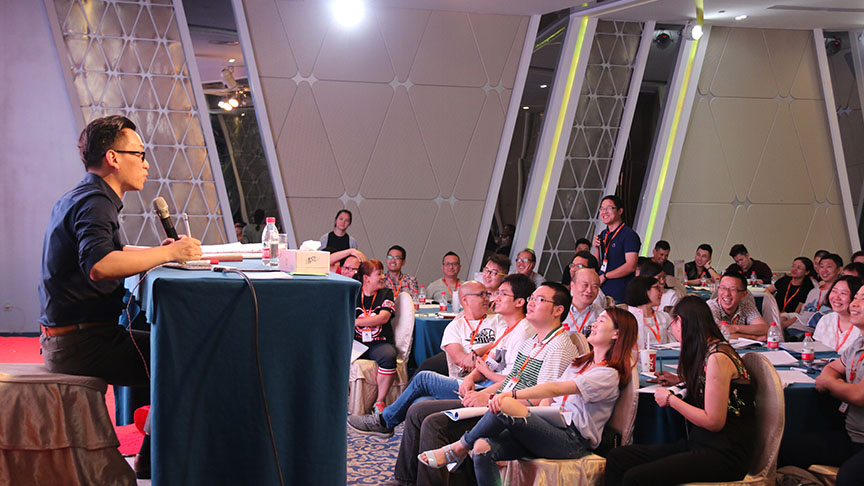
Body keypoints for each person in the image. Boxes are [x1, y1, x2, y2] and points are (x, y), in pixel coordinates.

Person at [38, 115, 203, 479]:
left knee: (175, 350)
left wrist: (157, 252)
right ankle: (158, 460)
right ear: (113, 158)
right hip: (82, 344)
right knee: (191, 357)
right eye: (139, 154)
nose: (146, 164)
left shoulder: (85, 195)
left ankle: (152, 455)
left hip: (76, 337)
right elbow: (99, 264)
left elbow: (108, 252)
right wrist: (170, 253)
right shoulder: (96, 202)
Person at [418, 308, 639, 486]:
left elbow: (554, 389)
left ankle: (458, 448)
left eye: (602, 321)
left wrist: (512, 396)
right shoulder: (581, 361)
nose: (594, 324)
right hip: (551, 426)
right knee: (482, 448)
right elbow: (550, 398)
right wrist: (536, 415)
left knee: (504, 404)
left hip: (572, 439)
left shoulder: (608, 374)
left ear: (616, 333)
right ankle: (463, 447)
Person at [388, 283, 578, 486]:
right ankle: (405, 481)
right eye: (531, 298)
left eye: (539, 300)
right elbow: (511, 380)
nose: (530, 304)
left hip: (511, 413)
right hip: (497, 401)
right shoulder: (533, 340)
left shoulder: (558, 347)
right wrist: (481, 394)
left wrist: (487, 398)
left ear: (558, 310)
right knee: (418, 410)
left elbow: (542, 400)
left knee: (434, 423)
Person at [347, 275, 536, 437]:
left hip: (488, 391)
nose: (492, 298)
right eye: (483, 294)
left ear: (519, 302)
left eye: (501, 294)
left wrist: (483, 372)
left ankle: (383, 421)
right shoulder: (470, 327)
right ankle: (413, 466)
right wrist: (472, 375)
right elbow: (467, 361)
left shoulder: (517, 330)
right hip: (471, 382)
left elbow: (514, 382)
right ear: (464, 300)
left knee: (424, 378)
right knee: (418, 405)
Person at [605, 296, 756, 486]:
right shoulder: (710, 349)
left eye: (673, 324)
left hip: (723, 453)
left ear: (681, 322)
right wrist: (680, 380)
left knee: (635, 477)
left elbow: (714, 422)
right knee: (618, 458)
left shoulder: (718, 358)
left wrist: (671, 400)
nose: (674, 331)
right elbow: (710, 385)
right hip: (700, 443)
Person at [779, 285, 864, 486]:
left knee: (848, 478)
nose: (855, 304)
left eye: (863, 299)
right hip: (851, 436)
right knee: (783, 450)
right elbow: (833, 367)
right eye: (856, 297)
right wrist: (831, 380)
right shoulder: (859, 342)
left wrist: (829, 383)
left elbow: (859, 395)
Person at [412, 280, 501, 378]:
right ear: (465, 300)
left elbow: (503, 345)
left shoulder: (499, 320)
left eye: (487, 294)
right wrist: (491, 346)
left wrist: (475, 353)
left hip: (495, 376)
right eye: (481, 294)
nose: (487, 299)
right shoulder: (454, 327)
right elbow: (462, 361)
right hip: (463, 380)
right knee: (423, 376)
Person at [354, 259, 398, 414]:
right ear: (366, 278)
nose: (383, 277)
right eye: (378, 274)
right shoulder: (353, 294)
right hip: (356, 343)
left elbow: (383, 318)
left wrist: (354, 322)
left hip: (379, 342)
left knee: (389, 356)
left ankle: (379, 402)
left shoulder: (386, 293)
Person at [592, 195, 640, 303]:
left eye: (609, 208)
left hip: (620, 293)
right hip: (602, 292)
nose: (604, 212)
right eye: (602, 208)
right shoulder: (604, 234)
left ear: (620, 211)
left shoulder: (629, 235)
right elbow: (597, 264)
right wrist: (596, 248)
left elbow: (631, 266)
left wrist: (605, 276)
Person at [706, 271, 769, 339]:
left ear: (744, 294)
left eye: (733, 289)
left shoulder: (746, 305)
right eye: (723, 288)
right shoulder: (710, 307)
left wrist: (735, 328)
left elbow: (765, 329)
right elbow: (717, 334)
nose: (727, 294)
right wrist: (754, 337)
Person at [813, 276, 863, 355]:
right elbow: (817, 351)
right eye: (834, 291)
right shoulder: (826, 319)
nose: (836, 297)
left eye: (843, 293)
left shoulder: (861, 325)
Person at [626, 276, 673, 348]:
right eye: (657, 288)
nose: (661, 292)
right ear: (643, 290)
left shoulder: (665, 317)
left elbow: (674, 344)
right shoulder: (628, 318)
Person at [563, 268, 605, 337]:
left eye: (595, 287)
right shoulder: (558, 310)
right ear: (572, 285)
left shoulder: (602, 315)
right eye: (585, 285)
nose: (589, 290)